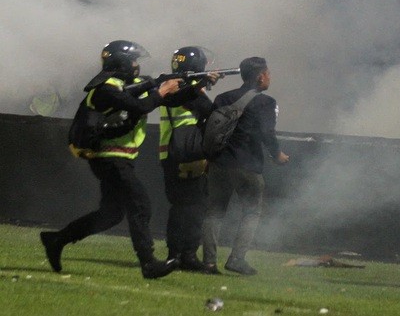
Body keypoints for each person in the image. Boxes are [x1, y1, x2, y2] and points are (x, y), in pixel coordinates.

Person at [40, 40, 182, 279]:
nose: (137, 66)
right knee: (140, 205)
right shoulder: (106, 88)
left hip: (115, 157)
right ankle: (148, 263)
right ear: (123, 63)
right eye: (134, 61)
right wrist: (161, 90)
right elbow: (139, 105)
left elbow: (162, 98)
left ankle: (56, 239)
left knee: (111, 214)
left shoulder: (120, 86)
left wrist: (192, 84)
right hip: (110, 157)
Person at [201, 57, 289, 275]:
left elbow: (208, 128)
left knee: (215, 211)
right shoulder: (265, 102)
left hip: (219, 163)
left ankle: (209, 263)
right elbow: (267, 133)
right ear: (260, 77)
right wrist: (277, 154)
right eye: (268, 74)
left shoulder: (223, 98)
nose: (270, 78)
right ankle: (237, 259)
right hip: (247, 165)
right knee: (251, 212)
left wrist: (208, 157)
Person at [159, 46, 220, 272]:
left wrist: (202, 83)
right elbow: (210, 110)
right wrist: (203, 83)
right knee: (191, 208)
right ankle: (183, 255)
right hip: (184, 155)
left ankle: (179, 254)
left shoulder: (175, 85)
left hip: (173, 154)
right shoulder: (183, 87)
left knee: (184, 208)